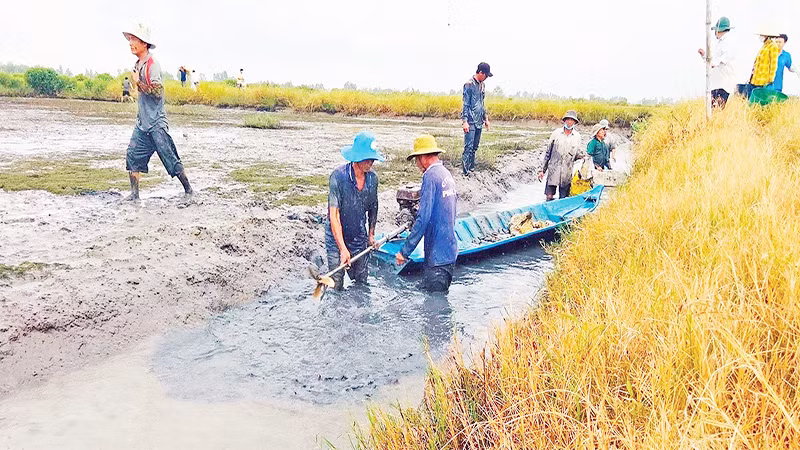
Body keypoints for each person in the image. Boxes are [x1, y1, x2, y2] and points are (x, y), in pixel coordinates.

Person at [122, 23, 193, 201]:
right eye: (129, 39)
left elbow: (157, 92)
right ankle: (134, 195)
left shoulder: (152, 64)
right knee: (132, 156)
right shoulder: (138, 64)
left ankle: (188, 190)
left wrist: (138, 82)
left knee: (170, 158)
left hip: (156, 124)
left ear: (144, 43)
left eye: (134, 39)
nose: (130, 43)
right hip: (143, 123)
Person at [395, 135, 458, 293]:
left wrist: (405, 251)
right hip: (449, 252)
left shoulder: (430, 176)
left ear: (423, 157)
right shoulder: (446, 174)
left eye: (416, 160)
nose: (417, 164)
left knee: (435, 311)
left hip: (437, 257)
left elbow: (423, 219)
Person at [325, 131, 383, 290]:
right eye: (367, 159)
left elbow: (373, 207)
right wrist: (343, 249)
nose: (371, 162)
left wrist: (371, 234)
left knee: (362, 282)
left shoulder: (372, 179)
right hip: (337, 239)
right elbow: (334, 216)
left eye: (372, 159)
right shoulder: (338, 177)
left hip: (359, 235)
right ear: (356, 158)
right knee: (336, 284)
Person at [537, 110, 587, 201]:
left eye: (571, 120)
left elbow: (575, 155)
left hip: (566, 173)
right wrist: (542, 171)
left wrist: (582, 157)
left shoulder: (577, 136)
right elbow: (548, 152)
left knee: (563, 199)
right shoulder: (556, 133)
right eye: (567, 120)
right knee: (549, 196)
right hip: (553, 171)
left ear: (575, 122)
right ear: (564, 121)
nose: (569, 122)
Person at [461, 62, 492, 176]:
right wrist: (465, 122)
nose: (486, 78)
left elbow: (482, 103)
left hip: (479, 120)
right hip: (470, 121)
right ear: (480, 72)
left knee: (475, 147)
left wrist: (486, 119)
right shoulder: (468, 84)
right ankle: (465, 172)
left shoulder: (482, 85)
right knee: (468, 147)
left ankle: (471, 169)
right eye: (486, 75)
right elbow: (465, 104)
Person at [698, 17, 736, 108]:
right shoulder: (719, 43)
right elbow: (713, 58)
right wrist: (704, 55)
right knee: (712, 108)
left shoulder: (729, 42)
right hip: (716, 82)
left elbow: (726, 57)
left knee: (718, 109)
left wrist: (715, 63)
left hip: (724, 82)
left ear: (720, 30)